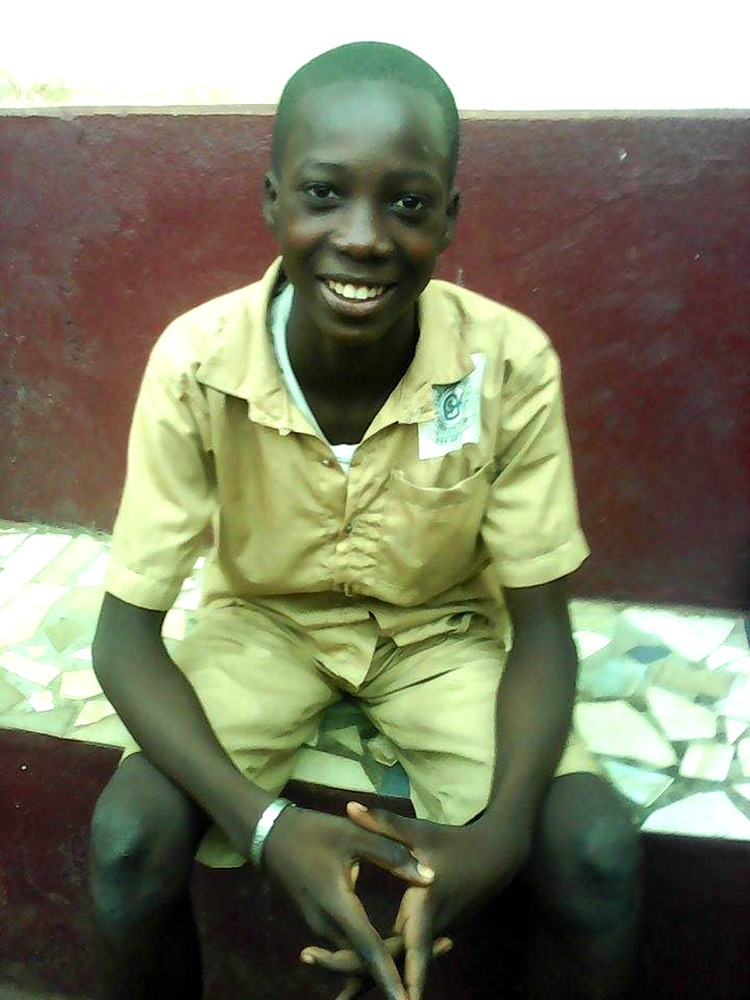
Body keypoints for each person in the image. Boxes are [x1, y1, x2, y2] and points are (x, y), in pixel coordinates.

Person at [89, 41, 640, 1000]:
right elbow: (122, 638)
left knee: (596, 855)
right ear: (273, 201)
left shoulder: (508, 364)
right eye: (323, 194)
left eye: (408, 204)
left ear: (450, 217)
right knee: (127, 841)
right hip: (263, 628)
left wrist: (500, 840)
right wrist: (267, 828)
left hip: (441, 635)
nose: (363, 237)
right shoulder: (195, 362)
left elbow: (543, 631)